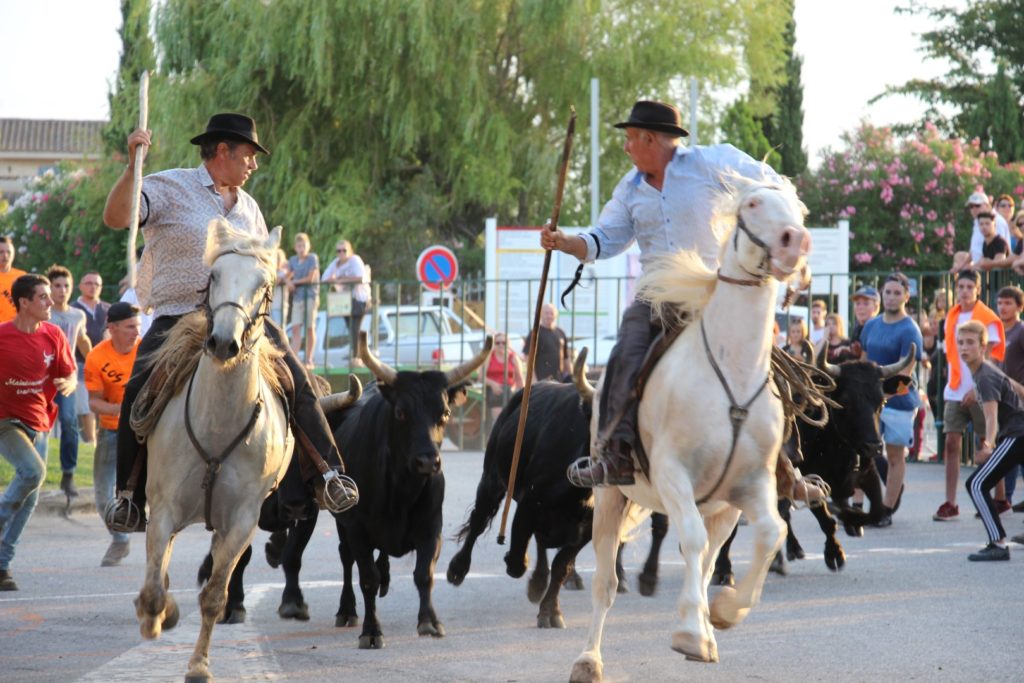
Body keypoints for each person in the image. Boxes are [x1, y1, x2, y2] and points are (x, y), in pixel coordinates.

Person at [101, 112, 358, 532]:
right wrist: (133, 166)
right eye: (249, 156)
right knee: (138, 388)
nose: (253, 165)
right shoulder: (168, 186)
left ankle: (328, 475)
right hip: (179, 315)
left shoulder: (250, 209)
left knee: (297, 379)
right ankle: (128, 497)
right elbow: (116, 218)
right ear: (223, 151)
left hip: (244, 318)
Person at [540, 99, 784, 487]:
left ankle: (787, 463)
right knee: (624, 357)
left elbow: (771, 181)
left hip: (714, 294)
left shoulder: (713, 162)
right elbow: (605, 238)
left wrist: (772, 216)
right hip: (657, 299)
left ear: (650, 139)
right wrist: (567, 243)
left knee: (776, 364)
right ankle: (615, 454)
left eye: (630, 138)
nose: (626, 147)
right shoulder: (629, 188)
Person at [0, 274, 77, 591]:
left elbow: (69, 373)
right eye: (43, 297)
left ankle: (2, 565)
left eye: (50, 296)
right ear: (24, 303)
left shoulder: (54, 334)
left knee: (30, 500)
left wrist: (69, 384)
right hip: (5, 422)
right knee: (33, 472)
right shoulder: (3, 337)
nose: (51, 301)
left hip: (40, 421)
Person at [934, 269, 1005, 521]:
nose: (964, 291)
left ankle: (998, 498)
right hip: (955, 388)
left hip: (981, 388)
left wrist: (977, 388)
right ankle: (950, 502)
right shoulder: (952, 315)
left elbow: (996, 356)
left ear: (977, 289)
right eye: (960, 286)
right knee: (951, 443)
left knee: (987, 444)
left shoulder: (986, 316)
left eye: (968, 286)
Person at [859, 272, 925, 526]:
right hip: (871, 402)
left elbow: (904, 375)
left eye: (897, 292)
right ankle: (857, 505)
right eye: (888, 292)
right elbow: (864, 362)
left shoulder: (910, 330)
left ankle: (886, 509)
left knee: (895, 456)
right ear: (882, 294)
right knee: (864, 452)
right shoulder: (872, 325)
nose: (892, 297)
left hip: (898, 402)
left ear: (906, 296)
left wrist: (881, 394)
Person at [957, 320, 1024, 561]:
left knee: (976, 484)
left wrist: (988, 444)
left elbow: (991, 416)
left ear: (983, 346)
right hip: (1018, 432)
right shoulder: (987, 371)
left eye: (970, 343)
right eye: (960, 343)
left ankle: (998, 543)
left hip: (1017, 434)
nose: (964, 348)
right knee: (979, 484)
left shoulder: (985, 376)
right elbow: (1016, 388)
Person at [84, 302, 141, 567]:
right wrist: (122, 408)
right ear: (113, 328)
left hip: (146, 430)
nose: (135, 332)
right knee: (103, 495)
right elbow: (94, 402)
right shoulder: (97, 357)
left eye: (138, 327)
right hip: (111, 430)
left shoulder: (146, 350)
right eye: (130, 327)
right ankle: (120, 540)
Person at [46, 265, 92, 500]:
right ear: (49, 288)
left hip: (67, 377)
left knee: (69, 422)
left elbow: (82, 340)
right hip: (42, 377)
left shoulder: (77, 315)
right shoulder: (43, 313)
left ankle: (68, 474)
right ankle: (34, 475)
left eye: (66, 286)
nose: (62, 290)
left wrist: (93, 359)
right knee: (38, 427)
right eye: (57, 286)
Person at [71, 271, 109, 445]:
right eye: (89, 283)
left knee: (104, 402)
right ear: (80, 286)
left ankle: (101, 438)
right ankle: (91, 442)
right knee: (87, 406)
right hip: (80, 363)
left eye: (97, 284)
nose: (93, 287)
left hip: (106, 363)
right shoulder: (73, 309)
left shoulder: (108, 309)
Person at [995, 286, 1024, 510]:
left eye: (1008, 303)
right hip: (1002, 398)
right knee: (1008, 443)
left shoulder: (1021, 331)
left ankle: (1010, 494)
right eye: (1000, 303)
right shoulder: (996, 332)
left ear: (1019, 306)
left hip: (1020, 396)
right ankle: (1007, 496)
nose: (1003, 307)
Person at [321, 239, 371, 351]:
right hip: (344, 300)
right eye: (339, 251)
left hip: (359, 299)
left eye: (344, 250)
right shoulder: (335, 263)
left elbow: (360, 278)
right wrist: (334, 280)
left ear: (350, 250)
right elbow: (324, 278)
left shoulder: (355, 260)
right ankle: (356, 354)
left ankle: (357, 356)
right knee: (351, 328)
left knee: (355, 328)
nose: (341, 253)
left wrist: (340, 279)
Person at [287, 232, 320, 369]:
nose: (302, 249)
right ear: (296, 247)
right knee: (295, 328)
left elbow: (311, 278)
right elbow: (287, 275)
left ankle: (309, 358)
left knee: (309, 327)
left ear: (308, 246)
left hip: (310, 296)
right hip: (298, 298)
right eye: (299, 246)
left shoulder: (312, 258)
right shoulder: (293, 260)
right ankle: (294, 359)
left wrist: (294, 282)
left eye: (304, 245)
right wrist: (288, 282)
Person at [523, 303, 570, 382]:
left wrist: (571, 375)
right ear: (541, 315)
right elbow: (528, 358)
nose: (549, 316)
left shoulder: (561, 333)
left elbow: (566, 358)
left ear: (556, 315)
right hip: (541, 380)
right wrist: (533, 379)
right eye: (546, 313)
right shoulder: (535, 333)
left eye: (551, 313)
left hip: (559, 379)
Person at [484, 332, 524, 425]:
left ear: (508, 344)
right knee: (499, 419)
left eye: (504, 343)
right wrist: (493, 384)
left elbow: (519, 378)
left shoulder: (513, 358)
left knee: (511, 419)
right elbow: (481, 377)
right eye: (497, 343)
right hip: (494, 391)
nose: (501, 345)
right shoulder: (489, 357)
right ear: (494, 344)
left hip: (510, 390)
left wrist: (523, 394)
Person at [967, 192, 1011, 265]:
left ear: (987, 206)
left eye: (977, 205)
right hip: (980, 269)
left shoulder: (997, 221)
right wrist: (962, 266)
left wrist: (984, 265)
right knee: (960, 256)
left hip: (993, 272)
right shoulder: (977, 221)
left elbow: (1000, 251)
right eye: (971, 206)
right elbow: (974, 249)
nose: (974, 209)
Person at [0, 236, 27, 324]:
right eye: (1, 252)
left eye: (8, 252)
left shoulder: (22, 276)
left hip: (17, 327)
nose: (5, 255)